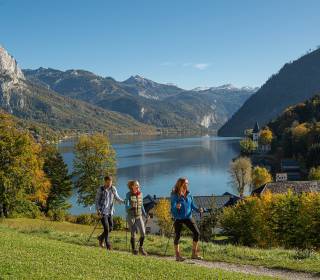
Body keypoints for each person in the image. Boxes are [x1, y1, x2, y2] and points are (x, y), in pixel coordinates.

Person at [170, 177, 204, 261]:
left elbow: (192, 206)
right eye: (186, 183)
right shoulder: (175, 194)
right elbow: (172, 207)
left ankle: (194, 254)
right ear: (180, 184)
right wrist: (176, 207)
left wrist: (198, 210)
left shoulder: (189, 194)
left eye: (187, 183)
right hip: (178, 217)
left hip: (188, 217)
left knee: (197, 233)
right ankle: (178, 256)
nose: (187, 185)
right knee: (177, 236)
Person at [95, 175, 124, 250]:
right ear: (104, 182)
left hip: (110, 212)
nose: (109, 184)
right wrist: (98, 211)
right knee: (107, 228)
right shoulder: (100, 189)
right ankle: (108, 245)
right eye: (107, 182)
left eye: (110, 182)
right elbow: (97, 201)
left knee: (111, 228)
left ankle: (101, 237)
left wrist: (123, 201)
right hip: (102, 212)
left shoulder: (113, 189)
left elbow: (117, 197)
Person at [125, 180, 148, 256]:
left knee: (143, 233)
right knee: (133, 233)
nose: (138, 186)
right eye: (136, 185)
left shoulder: (141, 194)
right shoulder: (128, 194)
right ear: (132, 186)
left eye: (138, 185)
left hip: (139, 216)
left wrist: (145, 214)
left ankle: (141, 248)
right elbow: (126, 207)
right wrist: (131, 206)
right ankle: (133, 250)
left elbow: (141, 206)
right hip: (131, 216)